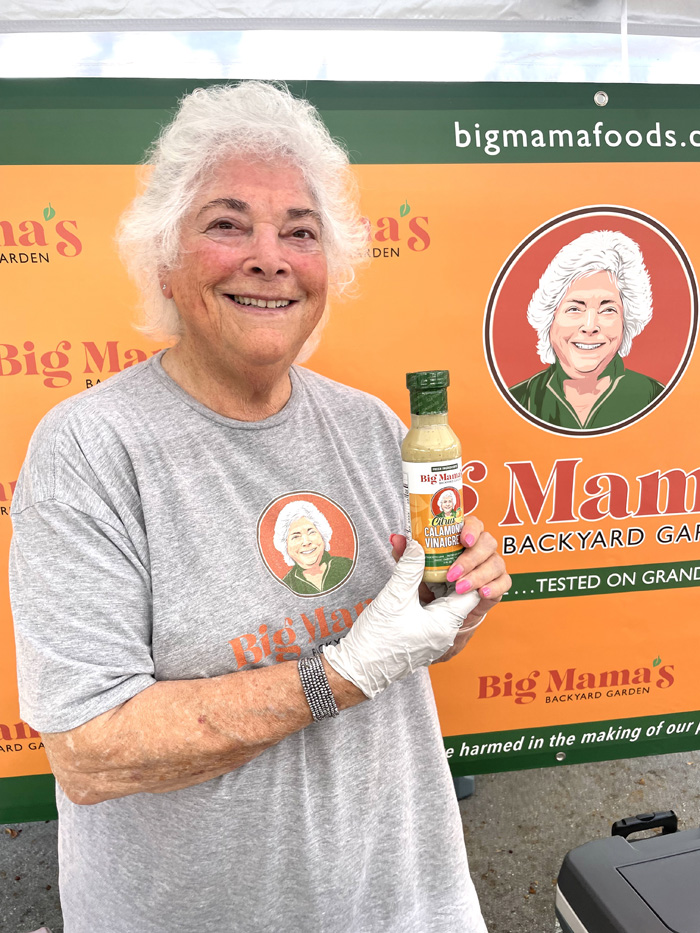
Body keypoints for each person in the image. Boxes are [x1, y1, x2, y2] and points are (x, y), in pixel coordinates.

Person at [9, 82, 510, 933]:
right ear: (164, 259)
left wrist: (455, 605)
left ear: (329, 268)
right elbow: (88, 750)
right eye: (227, 223)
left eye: (300, 232)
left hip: (402, 900)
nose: (270, 256)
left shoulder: (373, 426)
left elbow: (410, 645)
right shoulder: (91, 448)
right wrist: (341, 669)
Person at [509, 229, 664, 430]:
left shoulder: (655, 397)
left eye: (608, 310)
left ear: (626, 321)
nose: (590, 326)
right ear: (549, 317)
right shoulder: (519, 400)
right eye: (574, 308)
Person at [273, 499, 354, 595]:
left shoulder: (348, 566)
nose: (306, 542)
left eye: (311, 532)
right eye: (296, 536)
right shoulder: (286, 585)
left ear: (322, 535)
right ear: (285, 545)